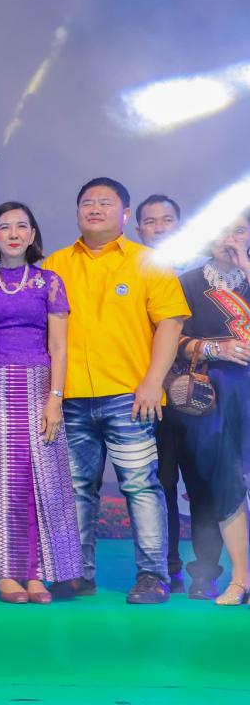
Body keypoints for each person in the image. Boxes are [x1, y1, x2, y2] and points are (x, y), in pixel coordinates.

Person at [43, 177, 188, 605]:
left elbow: (171, 324)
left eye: (105, 203)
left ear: (124, 214)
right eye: (87, 202)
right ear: (77, 212)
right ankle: (77, 573)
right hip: (71, 398)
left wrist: (152, 382)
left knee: (140, 486)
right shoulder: (56, 264)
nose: (95, 209)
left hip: (130, 396)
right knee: (75, 488)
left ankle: (153, 576)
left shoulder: (148, 262)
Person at [0, 202, 83, 604]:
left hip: (37, 388)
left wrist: (55, 398)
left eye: (22, 227)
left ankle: (37, 572)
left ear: (32, 235)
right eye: (5, 227)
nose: (13, 234)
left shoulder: (50, 282)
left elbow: (59, 347)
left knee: (38, 480)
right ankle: (5, 572)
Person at [135, 194, 219, 596]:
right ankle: (166, 567)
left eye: (167, 220)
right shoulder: (132, 271)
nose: (159, 228)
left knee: (203, 485)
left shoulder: (204, 274)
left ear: (179, 226)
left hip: (201, 396)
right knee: (160, 483)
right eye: (150, 222)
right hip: (152, 395)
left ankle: (206, 572)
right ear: (138, 230)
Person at [175, 213, 250, 606]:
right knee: (226, 482)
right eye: (222, 230)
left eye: (239, 231)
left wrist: (246, 267)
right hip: (216, 393)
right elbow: (172, 339)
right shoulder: (188, 283)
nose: (229, 239)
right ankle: (239, 578)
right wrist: (212, 348)